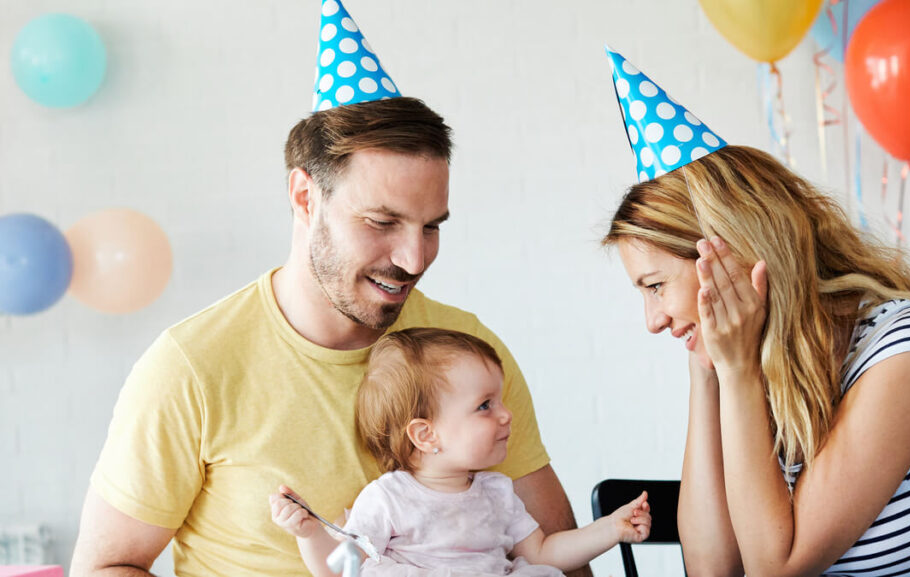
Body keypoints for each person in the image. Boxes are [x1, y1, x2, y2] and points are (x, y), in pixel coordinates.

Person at [69, 4, 585, 576]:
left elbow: (559, 555)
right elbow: (105, 566)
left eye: (431, 225)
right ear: (304, 198)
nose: (415, 258)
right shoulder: (192, 366)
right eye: (382, 222)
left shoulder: (467, 348)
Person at [601, 47, 910, 577]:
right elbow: (709, 569)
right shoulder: (757, 356)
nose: (652, 320)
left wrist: (739, 372)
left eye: (655, 286)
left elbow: (778, 566)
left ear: (729, 253)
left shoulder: (909, 349)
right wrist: (709, 376)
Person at [270, 328, 652, 576]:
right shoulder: (389, 498)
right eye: (485, 405)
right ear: (426, 434)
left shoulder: (496, 493)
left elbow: (543, 553)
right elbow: (343, 569)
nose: (506, 415)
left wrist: (610, 529)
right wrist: (309, 534)